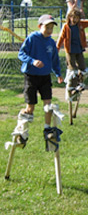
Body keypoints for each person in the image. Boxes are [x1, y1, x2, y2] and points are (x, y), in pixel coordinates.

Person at [15, 14, 64, 150]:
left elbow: (55, 60)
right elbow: (21, 54)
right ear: (39, 26)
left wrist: (58, 74)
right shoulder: (32, 38)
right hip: (31, 76)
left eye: (51, 28)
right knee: (30, 106)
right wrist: (32, 61)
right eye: (46, 27)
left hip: (45, 77)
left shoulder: (51, 43)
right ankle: (22, 131)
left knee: (48, 105)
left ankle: (47, 129)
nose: (49, 30)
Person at [56, 9, 88, 92]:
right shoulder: (66, 26)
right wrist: (57, 49)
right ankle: (72, 86)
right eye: (73, 18)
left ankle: (80, 84)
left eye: (77, 18)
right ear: (70, 17)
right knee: (72, 69)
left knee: (83, 67)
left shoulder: (80, 24)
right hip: (70, 50)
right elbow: (61, 38)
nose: (75, 20)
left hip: (79, 49)